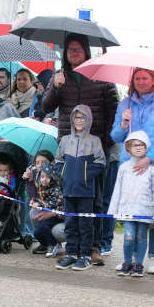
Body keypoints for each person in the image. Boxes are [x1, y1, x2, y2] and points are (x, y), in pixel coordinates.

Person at [41, 33, 119, 265]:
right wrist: (55, 87)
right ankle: (73, 247)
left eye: (78, 49)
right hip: (69, 148)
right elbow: (46, 106)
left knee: (93, 200)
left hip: (93, 149)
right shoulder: (59, 77)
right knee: (71, 198)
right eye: (70, 50)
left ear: (86, 51)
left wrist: (103, 141)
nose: (74, 53)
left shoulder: (101, 76)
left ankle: (92, 247)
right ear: (65, 53)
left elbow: (113, 110)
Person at [110, 67, 154, 273]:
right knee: (131, 210)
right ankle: (130, 258)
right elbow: (115, 137)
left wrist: (149, 158)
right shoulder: (125, 103)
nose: (140, 81)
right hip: (129, 166)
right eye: (137, 78)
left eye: (145, 77)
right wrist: (123, 123)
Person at [54, 105, 105, 271]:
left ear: (88, 120)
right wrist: (65, 175)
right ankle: (71, 254)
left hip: (86, 191)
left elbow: (100, 163)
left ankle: (85, 255)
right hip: (69, 190)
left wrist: (83, 175)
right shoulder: (65, 140)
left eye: (82, 118)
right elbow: (58, 161)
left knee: (86, 223)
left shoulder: (94, 141)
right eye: (76, 118)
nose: (79, 121)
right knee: (70, 223)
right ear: (72, 120)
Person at [108, 130, 154, 277]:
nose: (138, 148)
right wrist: (114, 210)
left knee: (141, 236)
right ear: (128, 148)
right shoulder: (124, 167)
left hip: (145, 209)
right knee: (129, 236)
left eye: (142, 145)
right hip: (127, 209)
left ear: (147, 147)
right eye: (135, 145)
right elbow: (117, 189)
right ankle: (127, 262)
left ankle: (138, 264)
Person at [30, 162, 64, 256]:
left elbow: (54, 202)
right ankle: (45, 244)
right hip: (46, 214)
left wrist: (40, 203)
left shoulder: (56, 189)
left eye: (47, 177)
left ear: (52, 177)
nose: (44, 180)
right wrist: (34, 200)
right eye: (42, 177)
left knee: (42, 228)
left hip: (56, 215)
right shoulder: (42, 188)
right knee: (37, 232)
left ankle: (52, 244)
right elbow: (39, 197)